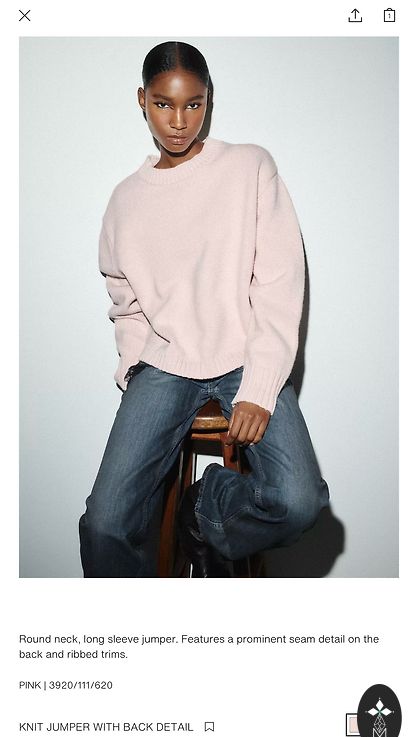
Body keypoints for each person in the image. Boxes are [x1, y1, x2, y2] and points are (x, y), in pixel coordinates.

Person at [79, 40, 330, 578]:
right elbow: (124, 298)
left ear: (208, 100)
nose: (178, 121)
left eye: (193, 104)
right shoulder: (125, 200)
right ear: (142, 100)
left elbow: (280, 281)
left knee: (299, 500)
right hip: (163, 364)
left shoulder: (249, 166)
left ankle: (201, 511)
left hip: (245, 355)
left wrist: (260, 387)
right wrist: (133, 365)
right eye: (163, 104)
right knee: (104, 523)